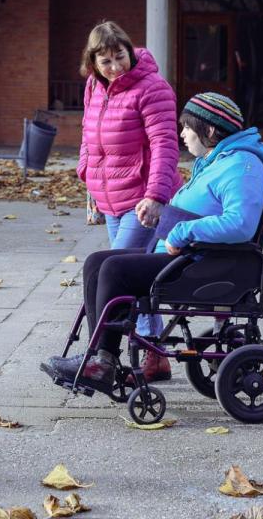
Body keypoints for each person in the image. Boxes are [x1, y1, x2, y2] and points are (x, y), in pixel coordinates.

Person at [42, 93, 263, 392]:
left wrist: (179, 232)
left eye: (188, 127)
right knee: (97, 262)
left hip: (203, 264)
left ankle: (102, 363)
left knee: (114, 268)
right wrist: (163, 217)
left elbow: (240, 224)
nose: (182, 134)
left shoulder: (242, 165)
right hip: (188, 256)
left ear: (211, 131)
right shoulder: (217, 160)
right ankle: (100, 357)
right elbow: (205, 207)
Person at [78, 21, 182, 381]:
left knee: (115, 275)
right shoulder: (94, 86)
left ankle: (103, 357)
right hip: (109, 199)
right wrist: (88, 183)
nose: (114, 67)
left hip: (142, 199)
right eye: (105, 61)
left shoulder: (152, 88)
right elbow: (89, 139)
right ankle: (155, 356)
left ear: (130, 51)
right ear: (92, 63)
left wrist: (156, 196)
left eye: (119, 57)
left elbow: (165, 145)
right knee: (137, 277)